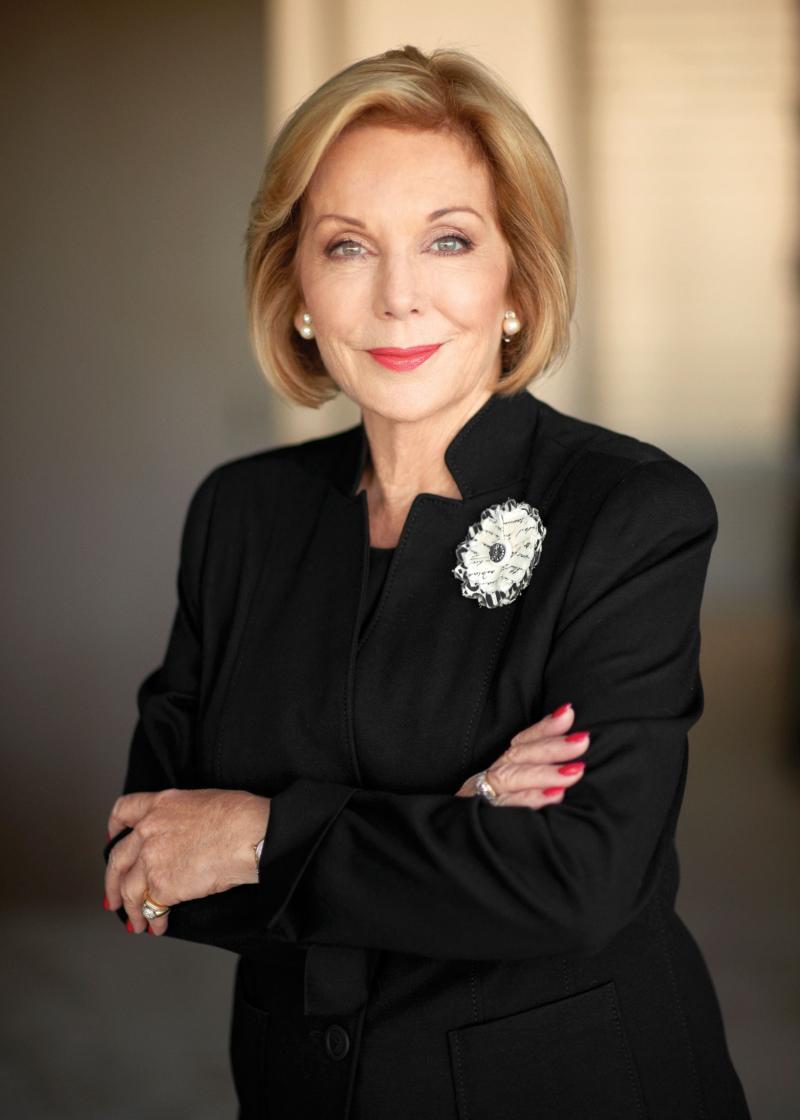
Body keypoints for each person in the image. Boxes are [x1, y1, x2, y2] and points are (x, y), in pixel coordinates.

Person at [102, 44, 751, 1120]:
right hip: (297, 1087)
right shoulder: (241, 512)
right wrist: (462, 812)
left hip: (563, 1084)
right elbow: (149, 866)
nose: (398, 296)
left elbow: (578, 883)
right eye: (347, 246)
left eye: (447, 240)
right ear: (297, 288)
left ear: (513, 278)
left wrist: (260, 833)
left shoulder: (629, 512)